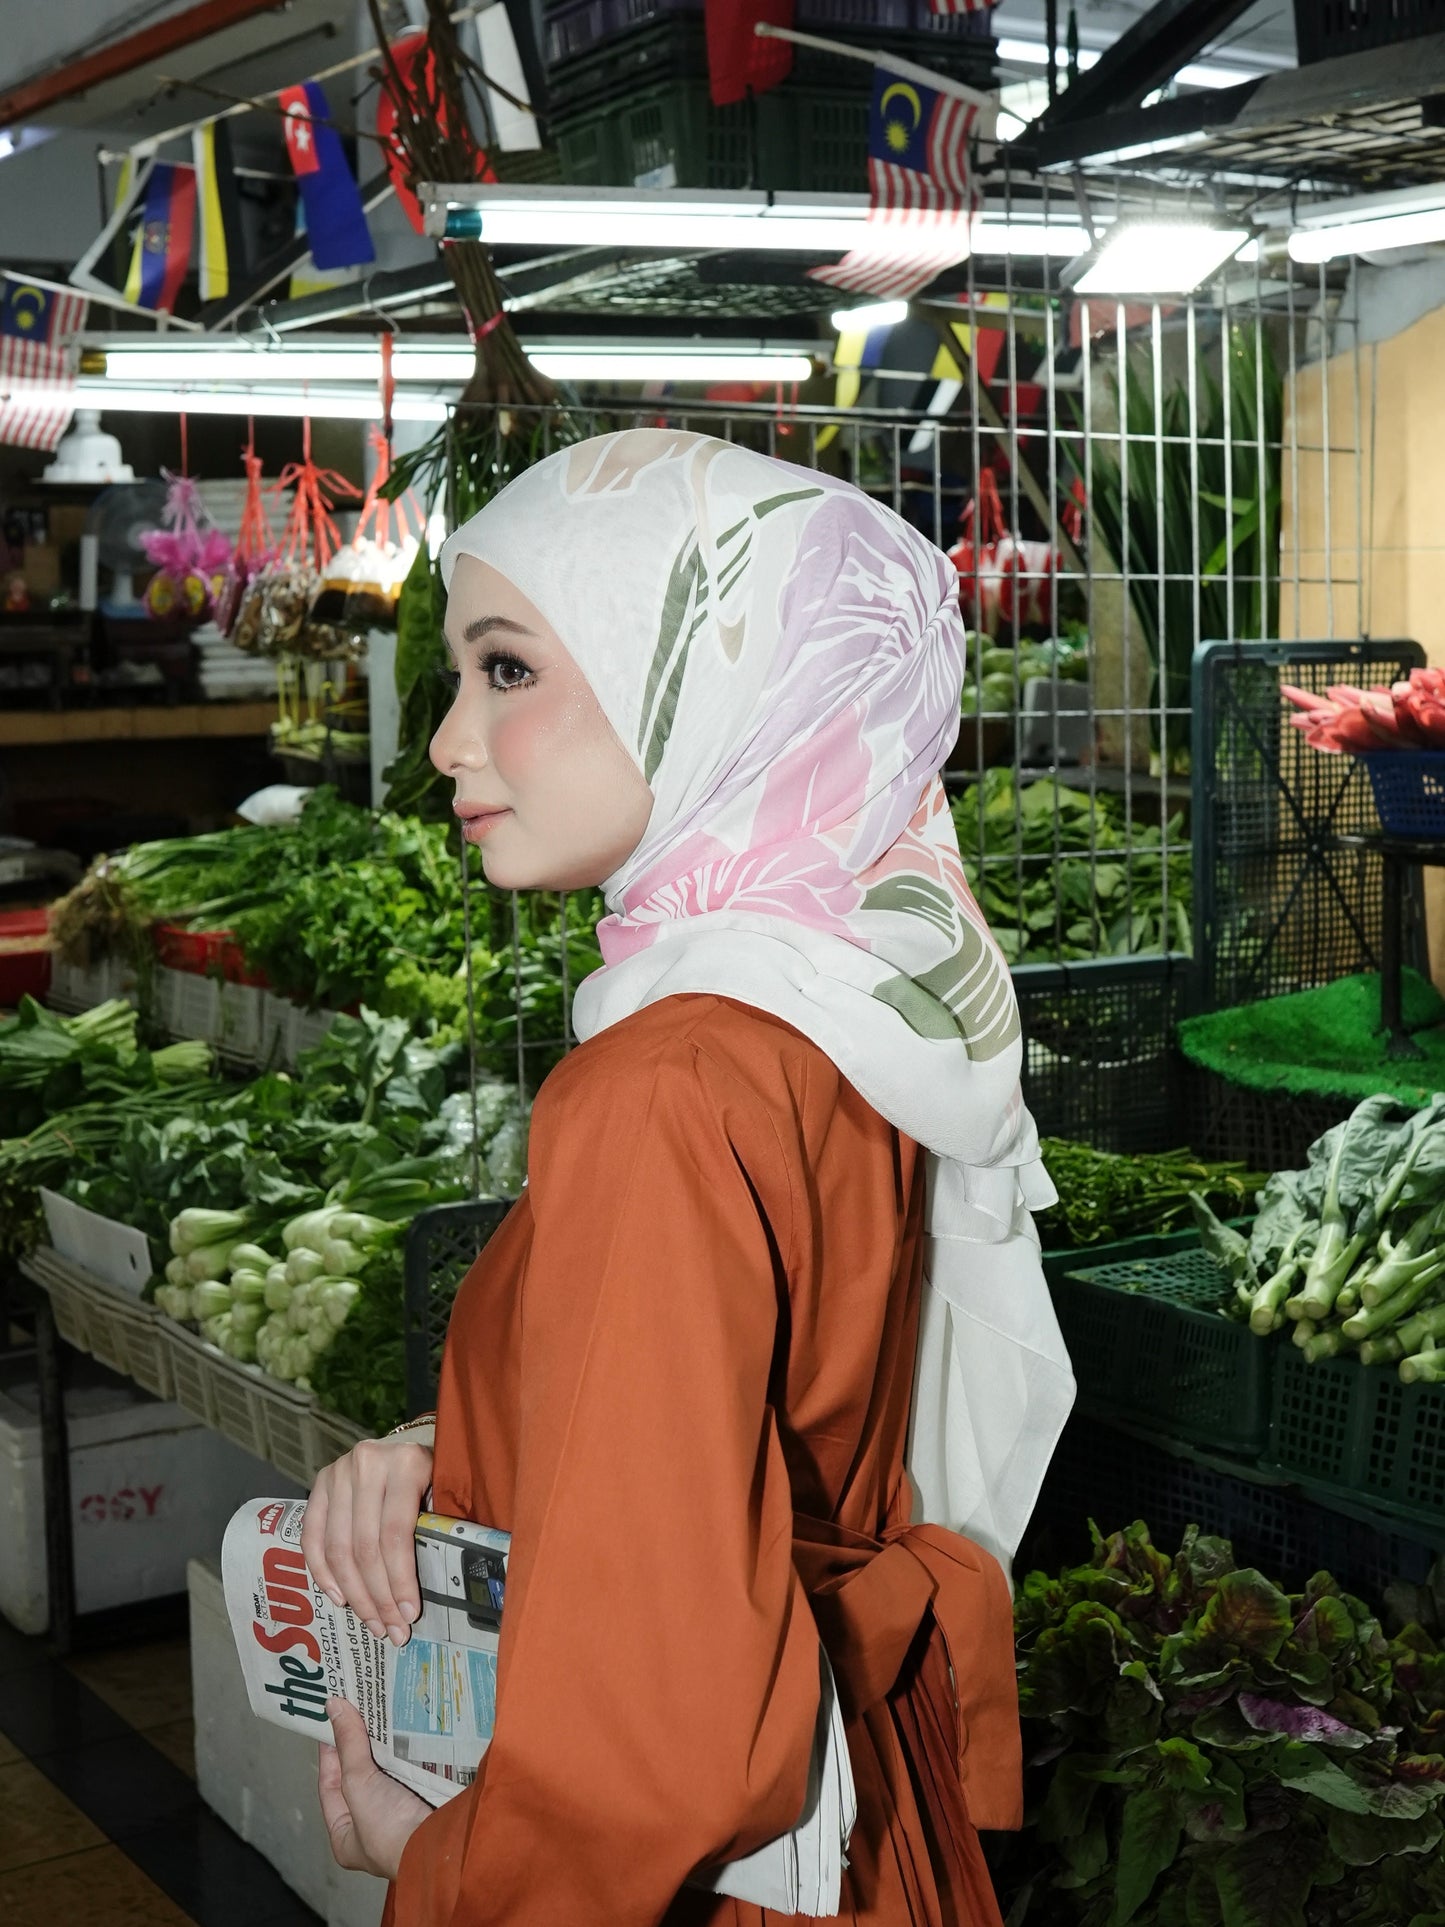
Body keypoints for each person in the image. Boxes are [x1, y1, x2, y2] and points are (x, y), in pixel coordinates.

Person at [302, 428, 1074, 1926]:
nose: (449, 739)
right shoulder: (849, 1000)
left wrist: (443, 1871)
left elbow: (653, 1742)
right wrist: (453, 1451)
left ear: (709, 685)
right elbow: (758, 1419)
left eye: (508, 670)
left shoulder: (658, 1089)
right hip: (849, 1815)